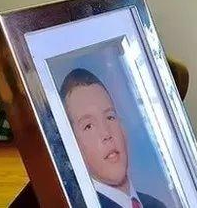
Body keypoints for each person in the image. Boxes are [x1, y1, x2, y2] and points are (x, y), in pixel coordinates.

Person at [59, 68, 167, 208]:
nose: (106, 134)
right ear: (73, 145)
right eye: (89, 126)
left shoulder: (157, 205)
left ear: (123, 128)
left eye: (110, 117)